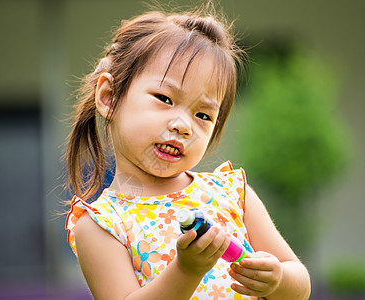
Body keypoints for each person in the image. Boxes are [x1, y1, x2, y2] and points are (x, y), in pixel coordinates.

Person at [65, 3, 311, 300]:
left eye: (203, 115)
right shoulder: (101, 224)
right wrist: (187, 270)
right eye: (165, 98)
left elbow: (299, 283)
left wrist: (278, 279)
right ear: (109, 97)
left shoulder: (232, 193)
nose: (184, 126)